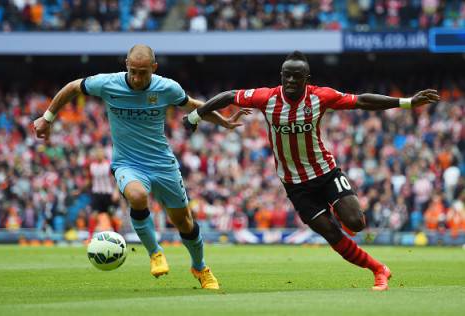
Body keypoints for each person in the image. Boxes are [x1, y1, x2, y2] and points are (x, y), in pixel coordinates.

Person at [183, 50, 440, 291]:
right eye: (286, 76)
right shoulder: (267, 98)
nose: (291, 80)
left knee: (356, 223)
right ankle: (378, 269)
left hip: (326, 172)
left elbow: (361, 101)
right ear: (281, 77)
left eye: (297, 76)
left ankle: (340, 211)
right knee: (331, 233)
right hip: (295, 185)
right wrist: (195, 116)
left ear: (307, 79)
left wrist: (407, 102)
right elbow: (229, 95)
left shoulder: (321, 96)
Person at [34, 44, 249, 290]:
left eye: (143, 72)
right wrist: (47, 118)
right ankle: (155, 253)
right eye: (133, 71)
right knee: (137, 195)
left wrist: (223, 121)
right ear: (126, 64)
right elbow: (73, 87)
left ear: (154, 68)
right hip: (127, 163)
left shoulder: (167, 88)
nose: (137, 78)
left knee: (184, 223)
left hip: (162, 164)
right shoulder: (107, 83)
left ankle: (200, 267)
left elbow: (191, 105)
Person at [87, 147, 120, 240]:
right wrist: (80, 190)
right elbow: (89, 180)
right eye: (97, 153)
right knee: (94, 214)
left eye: (100, 153)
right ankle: (89, 237)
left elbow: (116, 178)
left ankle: (117, 235)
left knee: (112, 215)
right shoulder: (92, 166)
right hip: (97, 194)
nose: (98, 155)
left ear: (103, 154)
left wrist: (116, 191)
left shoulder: (109, 165)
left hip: (108, 194)